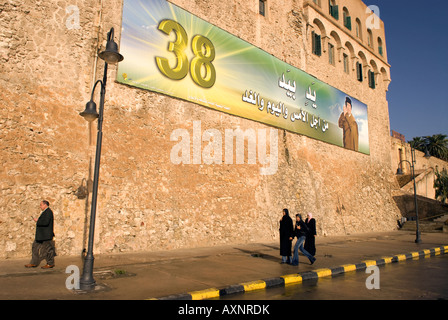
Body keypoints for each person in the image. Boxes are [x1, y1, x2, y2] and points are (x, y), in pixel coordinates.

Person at [25, 200, 56, 269]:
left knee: (48, 249)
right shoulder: (45, 212)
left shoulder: (48, 212)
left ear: (45, 205)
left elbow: (46, 222)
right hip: (41, 235)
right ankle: (34, 262)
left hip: (45, 235)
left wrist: (38, 221)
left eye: (41, 205)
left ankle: (50, 263)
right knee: (34, 247)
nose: (40, 206)